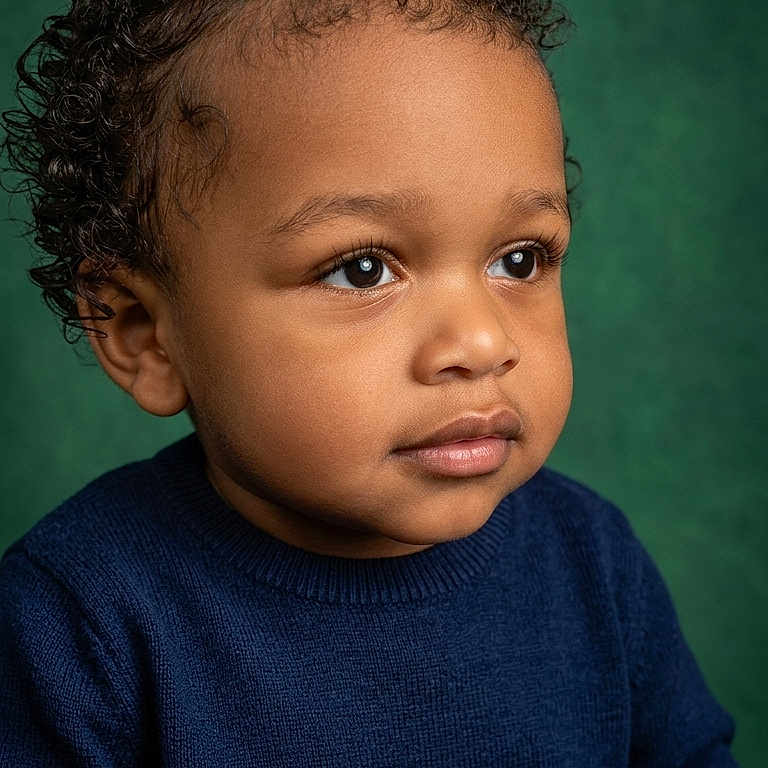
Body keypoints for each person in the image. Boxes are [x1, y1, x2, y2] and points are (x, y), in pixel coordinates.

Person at [0, 0, 739, 765]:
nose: (484, 342)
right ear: (144, 335)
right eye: (362, 269)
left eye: (519, 259)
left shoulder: (594, 568)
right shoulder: (81, 619)